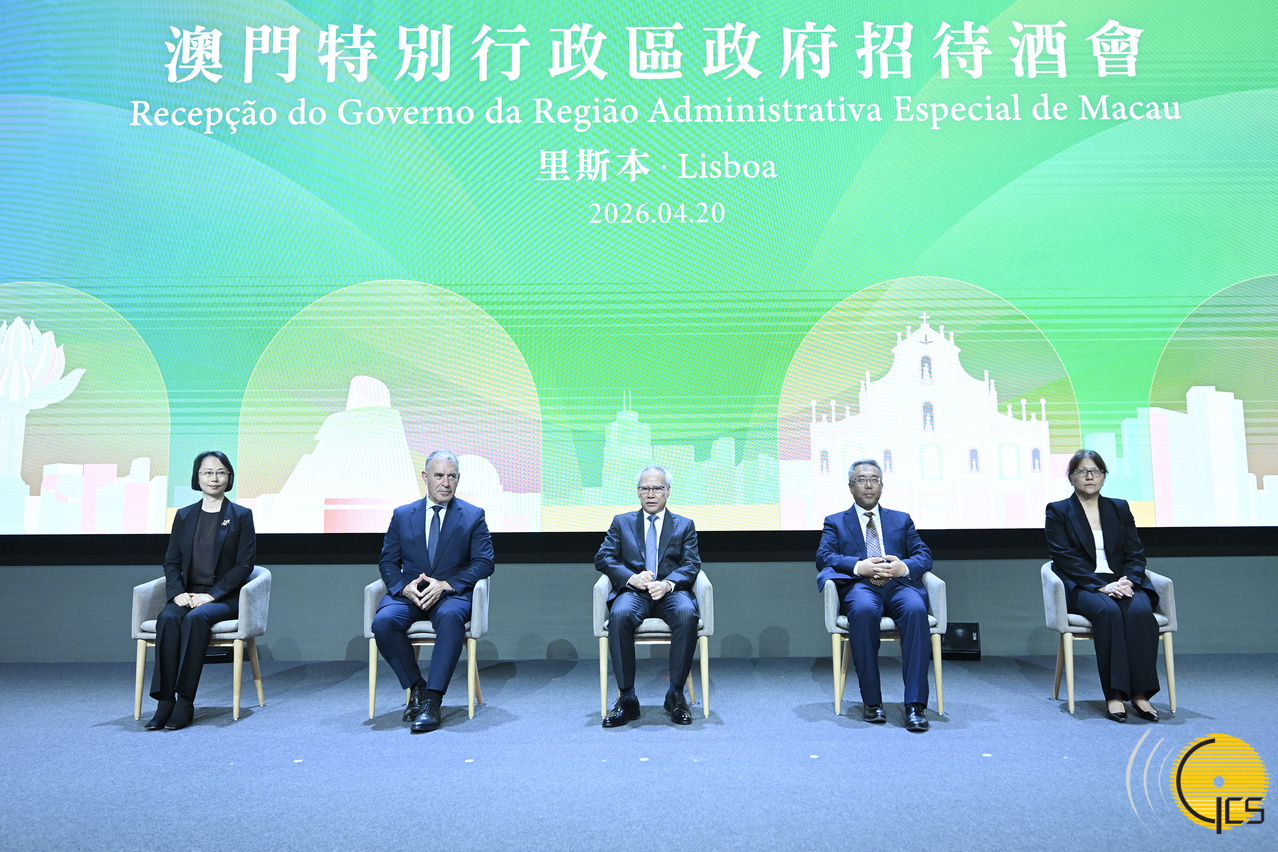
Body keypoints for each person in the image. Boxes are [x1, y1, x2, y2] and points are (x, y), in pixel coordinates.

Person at [372, 450, 494, 732]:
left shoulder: (472, 515)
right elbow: (388, 562)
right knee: (383, 622)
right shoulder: (403, 515)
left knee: (450, 618)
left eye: (452, 476)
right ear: (425, 477)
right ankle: (416, 686)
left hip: (450, 597)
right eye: (439, 476)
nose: (445, 483)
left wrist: (447, 585)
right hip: (412, 595)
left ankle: (432, 701)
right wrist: (404, 587)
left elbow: (484, 562)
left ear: (458, 479)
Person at [816, 459, 934, 732]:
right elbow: (824, 557)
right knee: (864, 611)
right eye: (861, 479)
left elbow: (924, 554)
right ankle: (872, 702)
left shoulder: (901, 519)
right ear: (850, 486)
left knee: (916, 609)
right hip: (861, 586)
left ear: (882, 485)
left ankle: (915, 705)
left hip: (898, 586)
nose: (869, 485)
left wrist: (904, 567)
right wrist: (860, 566)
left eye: (874, 479)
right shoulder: (836, 521)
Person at [1046, 449, 1161, 722]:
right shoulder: (1058, 511)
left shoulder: (1119, 508)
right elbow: (1064, 558)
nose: (1090, 476)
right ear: (1071, 477)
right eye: (1082, 471)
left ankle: (1141, 695)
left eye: (1096, 471)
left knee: (1140, 612)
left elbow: (1135, 553)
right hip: (1084, 585)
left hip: (1121, 581)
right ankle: (1114, 695)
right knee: (1108, 612)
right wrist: (1101, 586)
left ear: (1103, 477)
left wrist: (1129, 580)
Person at [145, 451, 256, 730]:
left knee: (197, 619)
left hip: (224, 597)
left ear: (229, 477)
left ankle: (185, 701)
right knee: (168, 618)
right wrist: (177, 593)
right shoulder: (184, 516)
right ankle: (164, 701)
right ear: (197, 477)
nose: (214, 478)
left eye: (220, 472)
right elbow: (172, 561)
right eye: (207, 472)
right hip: (188, 593)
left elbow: (244, 565)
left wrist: (212, 595)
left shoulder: (241, 516)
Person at [595, 464, 702, 727]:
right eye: (645, 488)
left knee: (687, 614)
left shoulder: (684, 525)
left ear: (668, 491)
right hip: (635, 592)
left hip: (670, 592)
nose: (651, 494)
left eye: (657, 488)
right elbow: (603, 557)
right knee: (619, 615)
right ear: (638, 491)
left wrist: (668, 584)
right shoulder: (622, 522)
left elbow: (691, 564)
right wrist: (631, 578)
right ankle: (627, 698)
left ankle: (675, 694)